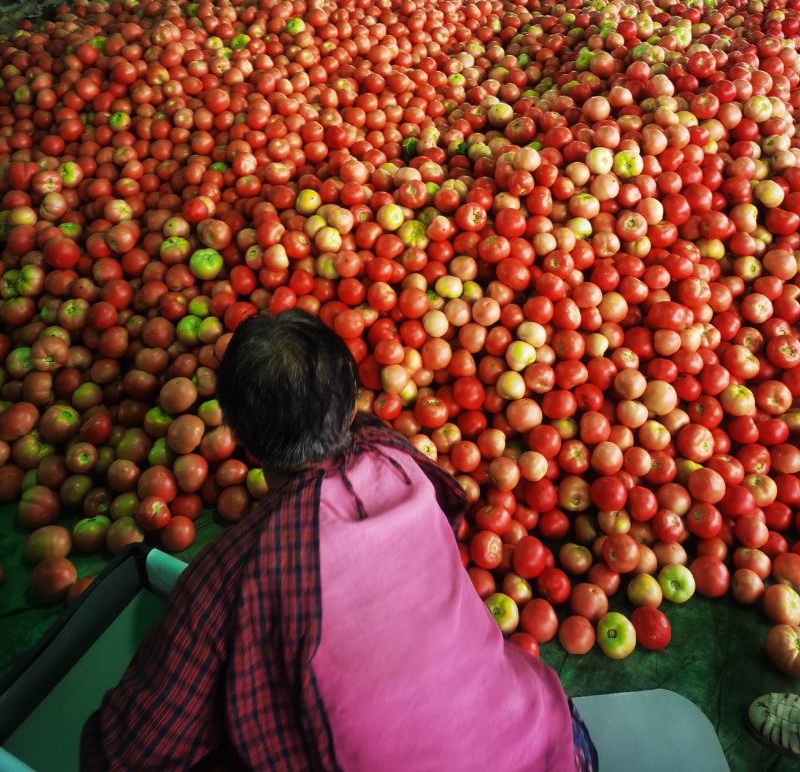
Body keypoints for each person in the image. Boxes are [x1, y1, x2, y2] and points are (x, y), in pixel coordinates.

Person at [80, 310, 596, 771]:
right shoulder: (398, 460)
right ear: (352, 406)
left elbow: (124, 756)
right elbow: (449, 514)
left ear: (237, 436)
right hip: (560, 747)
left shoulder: (231, 575)